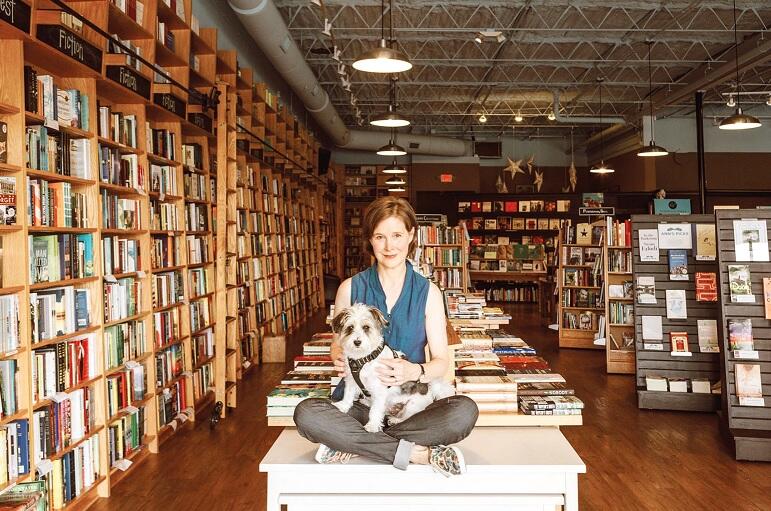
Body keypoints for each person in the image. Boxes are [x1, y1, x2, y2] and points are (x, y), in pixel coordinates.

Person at [294, 196, 479, 477]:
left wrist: (414, 371)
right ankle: (414, 452)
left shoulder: (429, 293)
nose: (389, 246)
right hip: (361, 403)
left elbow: (441, 362)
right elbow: (337, 344)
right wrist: (339, 356)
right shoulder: (349, 288)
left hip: (411, 405)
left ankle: (355, 443)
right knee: (307, 413)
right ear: (370, 239)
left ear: (411, 235)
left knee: (464, 411)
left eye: (397, 235)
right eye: (380, 237)